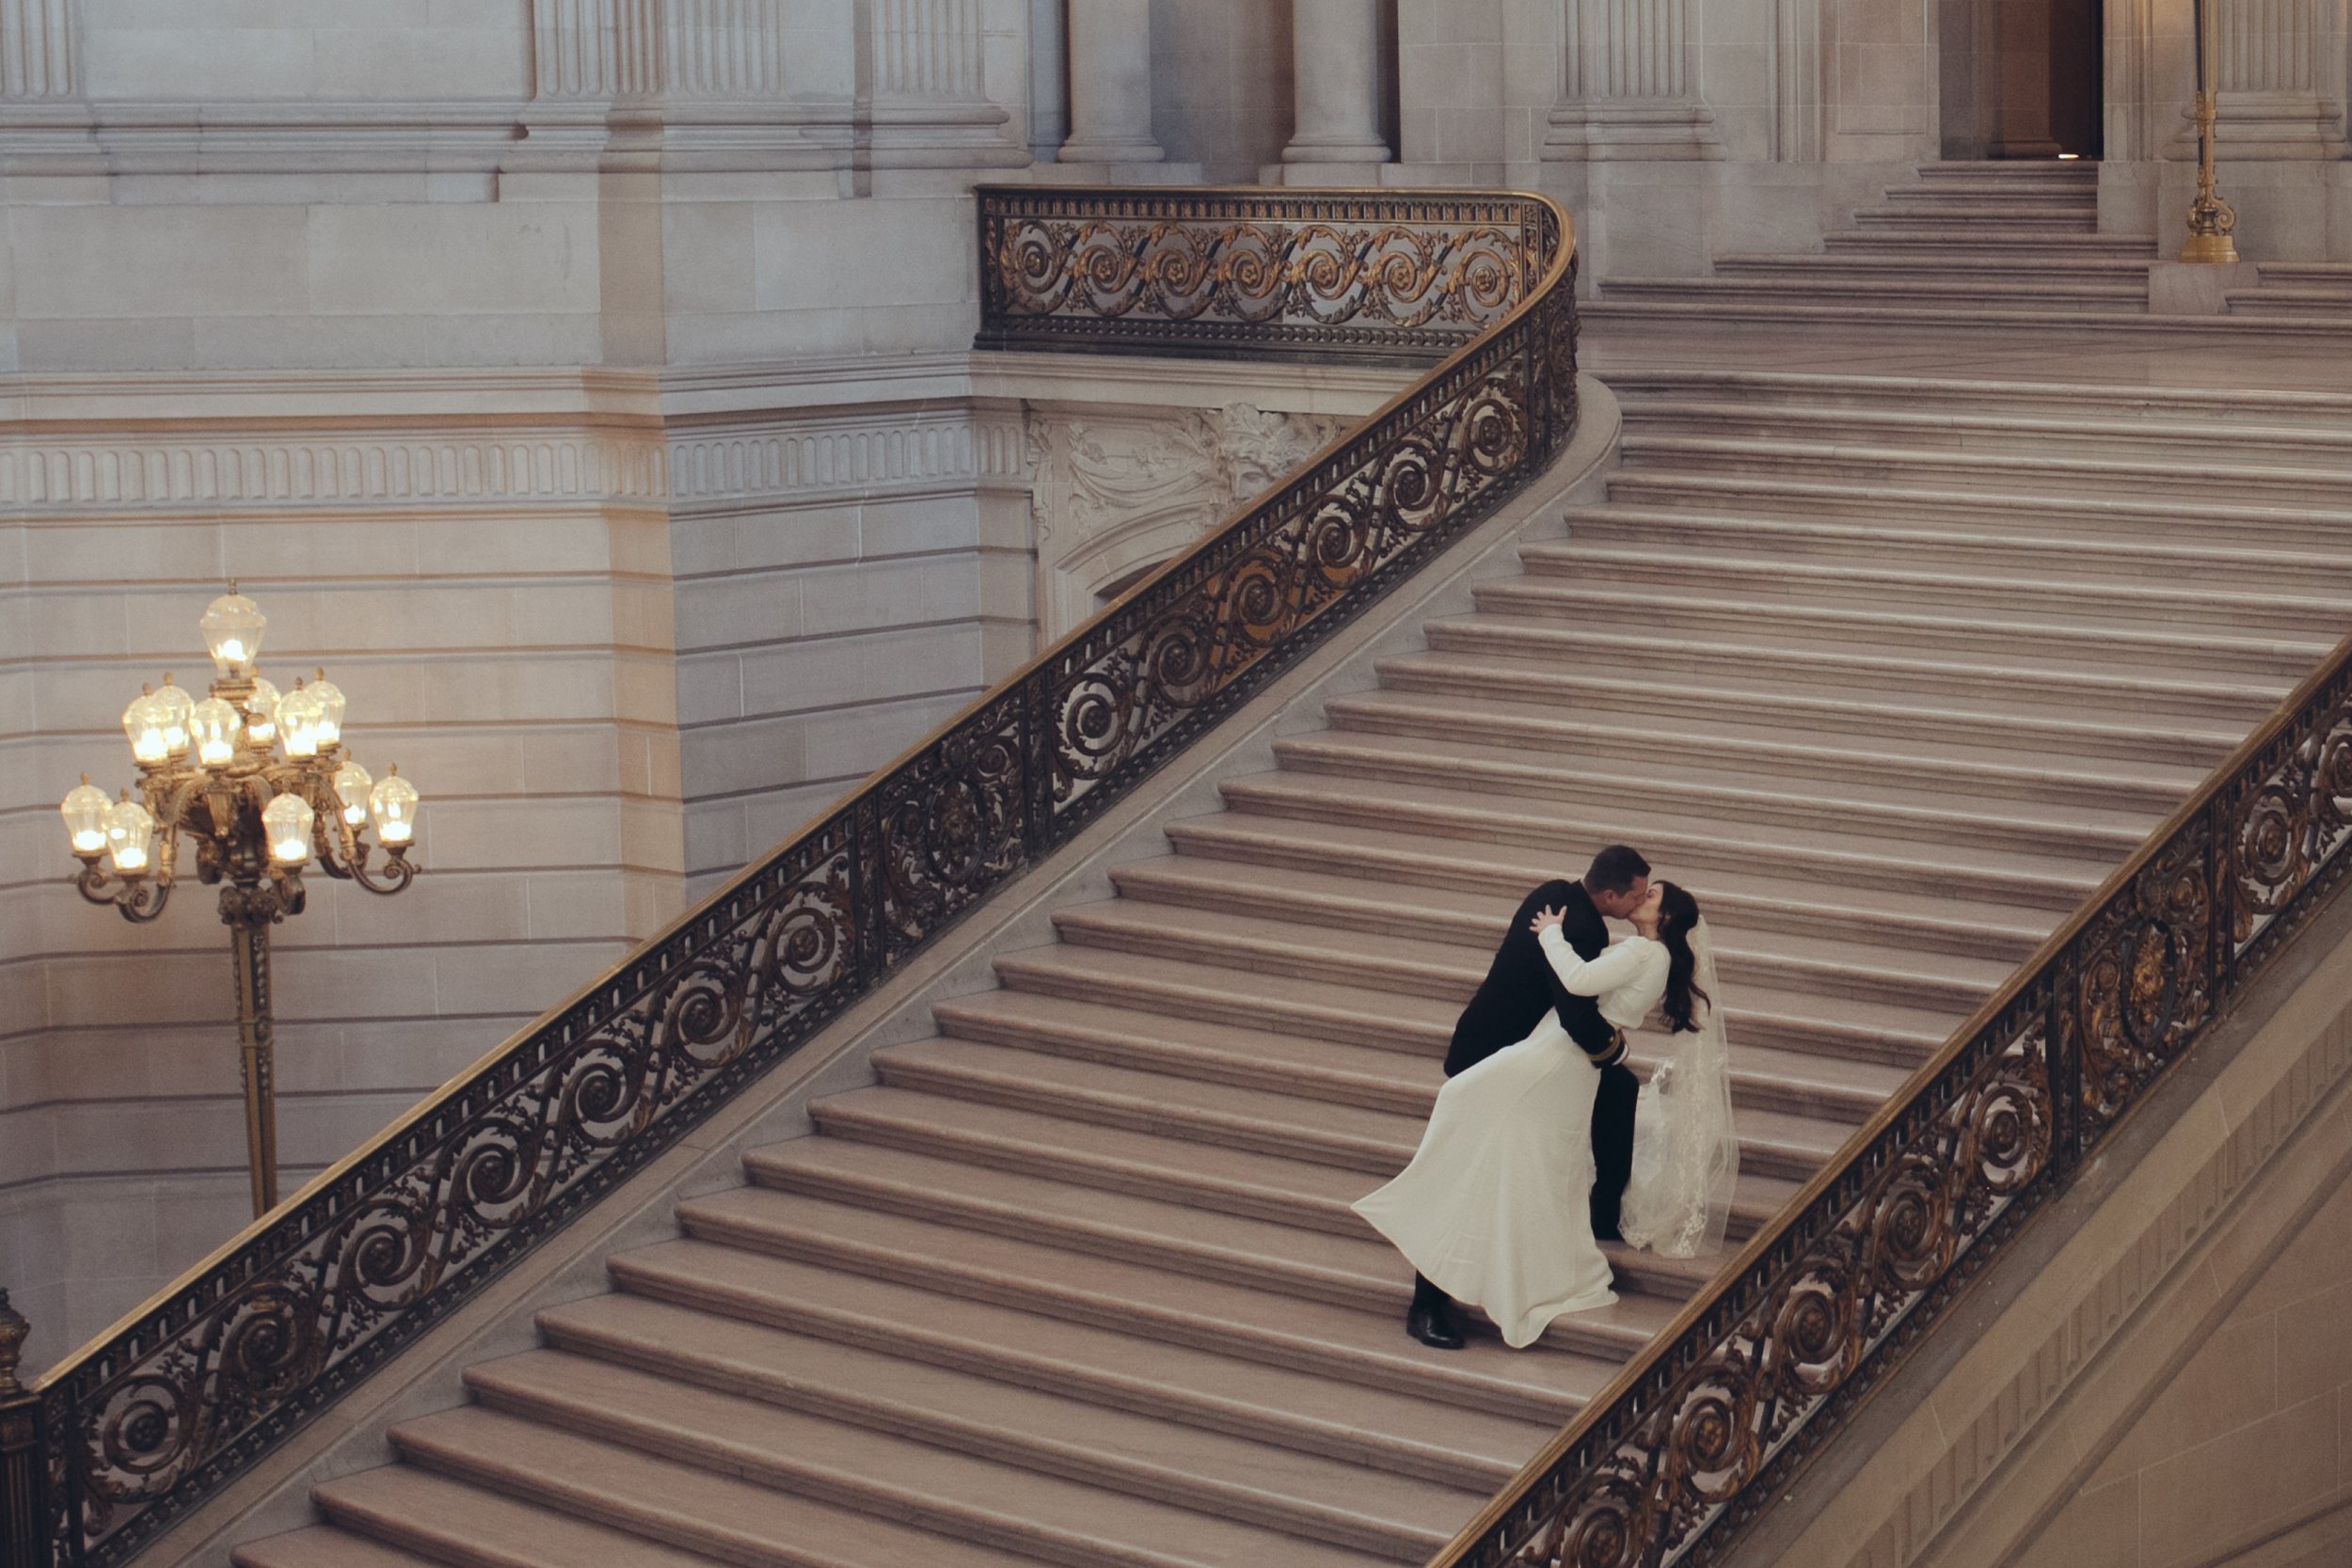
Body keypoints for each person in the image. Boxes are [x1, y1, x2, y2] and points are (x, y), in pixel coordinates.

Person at [1355, 877, 1730, 1349]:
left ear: (1667, 917)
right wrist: (1611, 1048)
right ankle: (1441, 1288)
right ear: (1610, 893)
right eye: (1639, 890)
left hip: (1556, 1058)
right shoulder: (1587, 923)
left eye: (1650, 896)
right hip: (1521, 1046)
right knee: (1503, 1149)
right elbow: (1580, 1004)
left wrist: (1551, 935)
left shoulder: (1626, 946)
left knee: (1499, 1145)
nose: (1640, 899)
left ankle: (1577, 1229)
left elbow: (1580, 993)